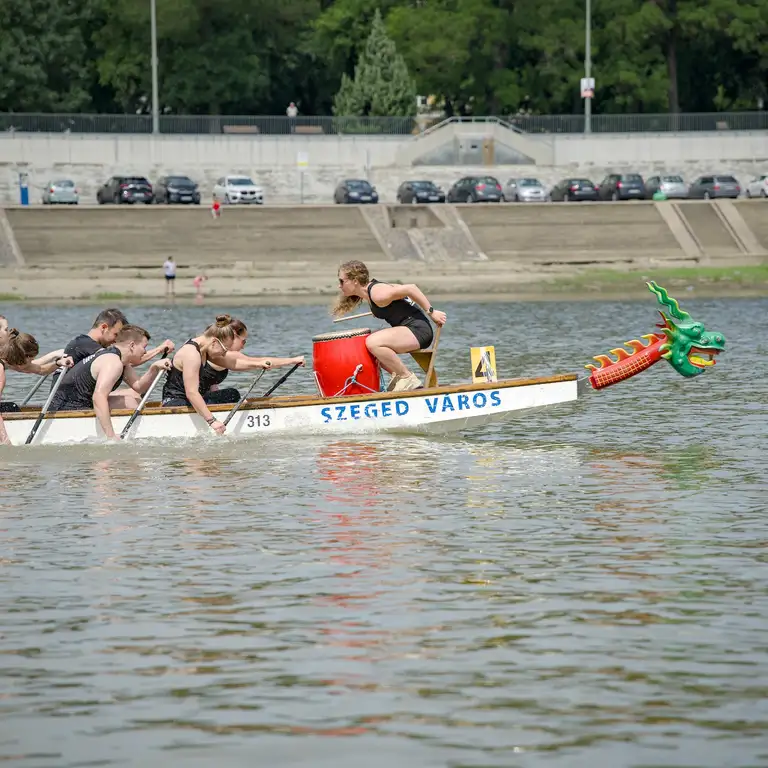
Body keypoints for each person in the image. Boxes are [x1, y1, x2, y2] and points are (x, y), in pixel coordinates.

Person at [161, 315, 304, 435]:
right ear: (215, 341)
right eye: (225, 350)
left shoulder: (205, 349)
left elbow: (238, 364)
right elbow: (191, 393)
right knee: (232, 396)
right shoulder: (192, 354)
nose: (224, 354)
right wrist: (212, 421)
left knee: (232, 394)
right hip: (174, 402)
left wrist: (260, 365)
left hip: (190, 400)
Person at [332, 260, 447, 392]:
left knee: (373, 342)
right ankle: (397, 375)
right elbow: (397, 292)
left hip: (418, 331)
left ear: (355, 281)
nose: (339, 286)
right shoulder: (374, 293)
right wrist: (384, 310)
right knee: (363, 343)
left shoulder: (377, 294)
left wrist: (431, 312)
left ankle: (406, 377)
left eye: (342, 281)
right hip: (409, 330)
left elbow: (411, 288)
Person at [50, 325, 172, 441]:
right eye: (144, 347)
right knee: (131, 403)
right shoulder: (112, 362)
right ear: (132, 345)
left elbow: (139, 387)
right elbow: (98, 397)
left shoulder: (121, 360)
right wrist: (111, 437)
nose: (145, 352)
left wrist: (154, 368)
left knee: (134, 397)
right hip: (66, 408)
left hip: (80, 401)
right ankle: (133, 434)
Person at [50, 308, 174, 408]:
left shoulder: (97, 346)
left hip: (82, 394)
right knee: (131, 400)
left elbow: (127, 362)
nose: (117, 340)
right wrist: (159, 349)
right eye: (116, 334)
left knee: (134, 393)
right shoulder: (86, 345)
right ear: (104, 328)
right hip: (67, 401)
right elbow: (129, 360)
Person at [0, 329, 73, 445]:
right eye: (32, 359)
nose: (33, 361)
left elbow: (41, 369)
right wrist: (5, 440)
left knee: (12, 407)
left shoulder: (8, 358)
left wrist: (58, 362)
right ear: (22, 357)